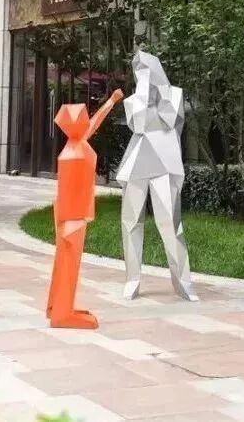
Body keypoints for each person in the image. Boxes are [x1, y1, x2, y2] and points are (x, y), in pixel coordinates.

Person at [115, 51, 197, 301]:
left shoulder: (174, 95)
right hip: (137, 165)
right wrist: (143, 94)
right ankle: (132, 281)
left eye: (147, 71)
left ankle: (183, 282)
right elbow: (138, 124)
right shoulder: (133, 101)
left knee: (170, 223)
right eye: (139, 73)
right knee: (130, 223)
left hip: (164, 165)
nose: (144, 77)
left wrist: (158, 92)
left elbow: (171, 121)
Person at [47, 89, 123, 328]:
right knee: (68, 264)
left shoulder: (76, 142)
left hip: (73, 216)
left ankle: (59, 308)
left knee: (66, 265)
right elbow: (67, 191)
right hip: (73, 218)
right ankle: (62, 314)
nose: (86, 121)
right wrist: (68, 223)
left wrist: (111, 101)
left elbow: (95, 121)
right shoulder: (73, 154)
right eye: (82, 119)